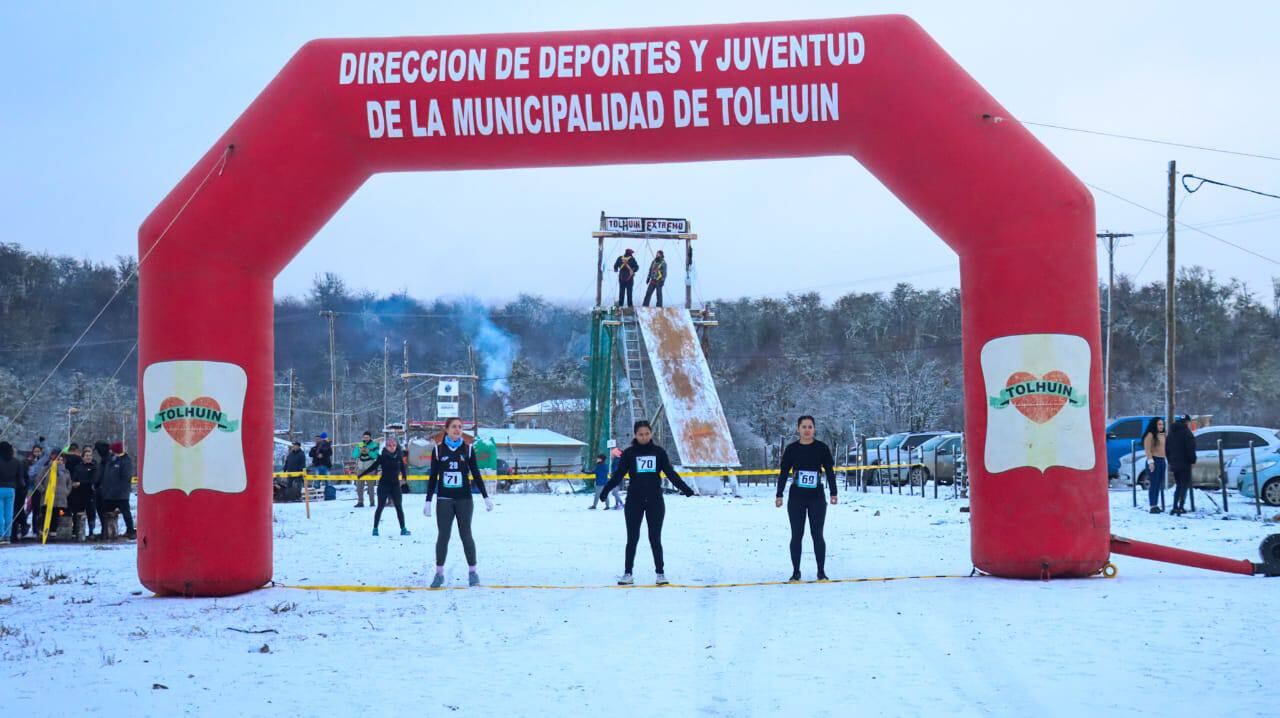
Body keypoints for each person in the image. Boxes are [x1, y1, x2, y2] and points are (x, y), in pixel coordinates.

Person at [598, 420, 695, 586]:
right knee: (632, 538)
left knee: (655, 538)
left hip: (655, 500)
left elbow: (670, 473)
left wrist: (685, 488)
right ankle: (628, 573)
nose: (644, 437)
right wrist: (606, 490)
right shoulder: (629, 454)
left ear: (651, 434)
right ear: (635, 435)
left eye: (647, 434)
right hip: (634, 501)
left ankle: (660, 573)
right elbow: (618, 474)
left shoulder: (659, 452)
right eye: (641, 434)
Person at [424, 418, 492, 588]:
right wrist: (428, 500)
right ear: (446, 429)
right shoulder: (438, 450)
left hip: (464, 499)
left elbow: (476, 474)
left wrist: (486, 497)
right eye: (454, 426)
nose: (457, 429)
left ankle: (472, 572)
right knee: (443, 535)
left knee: (466, 535)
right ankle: (439, 573)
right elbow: (433, 477)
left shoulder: (468, 449)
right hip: (444, 500)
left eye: (460, 427)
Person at [776, 416, 838, 582]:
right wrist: (779, 494)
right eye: (803, 426)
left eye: (810, 427)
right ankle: (796, 572)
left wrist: (834, 492)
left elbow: (830, 472)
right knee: (797, 534)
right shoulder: (791, 449)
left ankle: (821, 572)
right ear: (798, 429)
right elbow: (783, 473)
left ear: (814, 429)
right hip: (796, 497)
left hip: (816, 497)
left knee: (817, 534)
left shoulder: (822, 448)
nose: (807, 430)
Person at [360, 435, 409, 536]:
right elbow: (373, 466)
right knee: (380, 507)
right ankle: (375, 529)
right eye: (389, 445)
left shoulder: (399, 456)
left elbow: (403, 469)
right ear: (386, 446)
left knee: (399, 507)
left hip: (395, 485)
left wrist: (404, 479)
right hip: (384, 485)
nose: (392, 447)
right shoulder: (382, 457)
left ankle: (403, 529)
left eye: (393, 445)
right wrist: (362, 474)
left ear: (396, 446)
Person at [98, 442, 136, 540]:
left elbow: (126, 477)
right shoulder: (111, 459)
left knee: (126, 512)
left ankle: (130, 531)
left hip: (121, 494)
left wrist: (119, 489)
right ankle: (106, 532)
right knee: (106, 513)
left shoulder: (125, 461)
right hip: (109, 493)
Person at [1165, 415, 1197, 516]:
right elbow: (1190, 449)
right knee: (1184, 485)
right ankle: (1181, 506)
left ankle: (1174, 506)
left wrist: (1170, 461)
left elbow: (1167, 449)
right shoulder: (1187, 434)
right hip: (1185, 463)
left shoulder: (1171, 433)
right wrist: (1192, 460)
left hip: (1174, 464)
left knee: (1178, 485)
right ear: (1187, 422)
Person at [67, 446, 98, 539]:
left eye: (90, 455)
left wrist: (81, 483)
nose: (88, 457)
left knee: (91, 513)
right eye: (86, 455)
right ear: (83, 457)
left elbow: (93, 480)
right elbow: (74, 477)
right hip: (78, 494)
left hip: (90, 494)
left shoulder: (95, 467)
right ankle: (77, 531)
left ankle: (91, 532)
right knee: (77, 513)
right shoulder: (78, 467)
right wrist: (74, 483)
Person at [1141, 417, 1167, 514]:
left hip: (1162, 460)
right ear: (1154, 425)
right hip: (1154, 460)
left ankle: (1156, 504)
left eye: (1162, 424)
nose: (1161, 426)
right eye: (1159, 424)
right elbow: (1147, 450)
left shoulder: (1163, 435)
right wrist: (1150, 462)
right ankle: (1153, 505)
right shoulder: (1150, 435)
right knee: (1154, 484)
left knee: (1159, 483)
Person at [0, 441, 23, 544]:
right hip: (11, 489)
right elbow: (20, 478)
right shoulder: (17, 462)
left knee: (0, 514)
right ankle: (7, 536)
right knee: (9, 513)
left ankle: (1, 534)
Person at [351, 431, 380, 507]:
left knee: (370, 486)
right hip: (360, 467)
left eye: (367, 437)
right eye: (364, 437)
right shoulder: (359, 445)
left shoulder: (374, 445)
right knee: (359, 486)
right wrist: (360, 452)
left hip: (370, 467)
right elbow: (354, 455)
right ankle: (360, 502)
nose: (366, 439)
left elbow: (376, 456)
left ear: (370, 437)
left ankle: (372, 502)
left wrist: (369, 451)